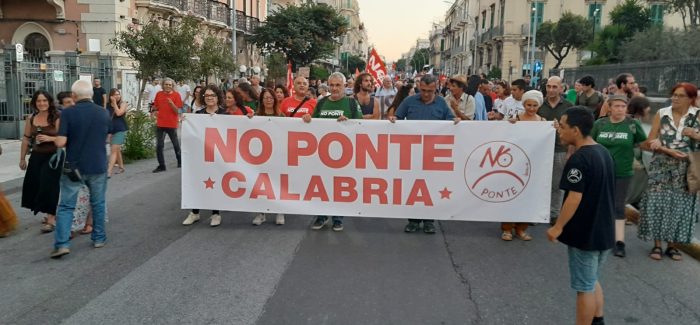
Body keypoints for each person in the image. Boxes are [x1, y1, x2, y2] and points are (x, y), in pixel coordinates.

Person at [546, 106, 615, 325]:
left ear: (575, 130)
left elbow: (574, 198)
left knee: (583, 287)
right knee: (592, 278)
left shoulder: (579, 159)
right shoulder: (602, 152)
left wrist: (558, 227)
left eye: (563, 127)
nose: (560, 131)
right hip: (604, 231)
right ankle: (598, 319)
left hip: (586, 235)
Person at [389, 74, 460, 234]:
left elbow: (451, 121)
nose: (426, 94)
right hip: (412, 154)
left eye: (430, 91)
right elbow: (397, 117)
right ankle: (413, 221)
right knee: (413, 188)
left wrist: (455, 121)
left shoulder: (441, 103)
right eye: (423, 90)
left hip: (434, 155)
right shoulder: (409, 101)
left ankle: (429, 221)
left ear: (436, 88)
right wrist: (394, 120)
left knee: (431, 188)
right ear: (418, 88)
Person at [639, 83, 699, 261]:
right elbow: (649, 141)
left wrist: (696, 135)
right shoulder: (662, 113)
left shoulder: (698, 115)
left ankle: (672, 245)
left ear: (690, 98)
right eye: (673, 95)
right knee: (658, 203)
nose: (675, 98)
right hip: (661, 165)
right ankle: (657, 245)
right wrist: (662, 147)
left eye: (680, 96)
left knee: (679, 206)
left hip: (687, 169)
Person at [51, 80, 111, 258]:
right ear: (92, 95)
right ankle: (99, 238)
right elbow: (108, 135)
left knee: (66, 206)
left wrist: (54, 139)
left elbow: (61, 142)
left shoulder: (68, 113)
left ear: (74, 96)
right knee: (98, 203)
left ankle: (62, 244)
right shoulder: (103, 113)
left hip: (74, 167)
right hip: (98, 164)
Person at [303, 72, 364, 231]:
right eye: (332, 85)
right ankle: (321, 216)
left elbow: (361, 125)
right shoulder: (321, 102)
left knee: (339, 187)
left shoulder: (351, 103)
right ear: (328, 85)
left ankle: (338, 218)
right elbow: (312, 123)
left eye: (338, 85)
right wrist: (308, 119)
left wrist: (349, 122)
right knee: (323, 186)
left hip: (344, 155)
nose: (335, 88)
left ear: (345, 86)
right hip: (322, 154)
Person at [591, 95, 647, 258]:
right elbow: (590, 143)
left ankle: (619, 242)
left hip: (622, 172)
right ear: (609, 107)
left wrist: (657, 144)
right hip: (601, 171)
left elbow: (643, 143)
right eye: (616, 106)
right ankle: (599, 235)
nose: (620, 109)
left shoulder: (632, 125)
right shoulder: (600, 124)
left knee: (618, 206)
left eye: (623, 106)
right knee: (600, 203)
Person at [501, 90, 546, 241]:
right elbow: (505, 135)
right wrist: (510, 124)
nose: (531, 108)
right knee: (512, 196)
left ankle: (521, 228)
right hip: (515, 164)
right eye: (528, 105)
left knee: (529, 197)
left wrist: (555, 127)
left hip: (534, 165)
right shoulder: (516, 119)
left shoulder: (543, 122)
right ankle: (507, 228)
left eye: (535, 105)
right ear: (524, 104)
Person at [182, 85, 228, 227]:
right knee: (197, 182)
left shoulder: (225, 115)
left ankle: (216, 213)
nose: (209, 98)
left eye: (212, 95)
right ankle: (194, 212)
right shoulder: (198, 115)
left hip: (218, 157)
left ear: (218, 97)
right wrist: (185, 121)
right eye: (206, 95)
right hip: (201, 157)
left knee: (215, 183)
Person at [20, 90, 62, 233]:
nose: (42, 103)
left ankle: (51, 219)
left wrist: (50, 138)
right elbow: (26, 138)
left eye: (44, 100)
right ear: (34, 103)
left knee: (49, 185)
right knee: (35, 185)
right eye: (39, 101)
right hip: (37, 155)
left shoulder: (56, 117)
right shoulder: (31, 118)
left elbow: (65, 139)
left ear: (49, 102)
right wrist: (22, 158)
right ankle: (49, 211)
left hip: (53, 157)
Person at [538, 76, 573, 224]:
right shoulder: (539, 104)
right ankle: (537, 212)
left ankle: (554, 214)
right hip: (539, 150)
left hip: (560, 149)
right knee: (539, 182)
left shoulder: (569, 106)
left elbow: (573, 130)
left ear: (561, 88)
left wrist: (570, 151)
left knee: (557, 184)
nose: (551, 90)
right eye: (548, 86)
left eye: (554, 87)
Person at [152, 78, 183, 173]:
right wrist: (154, 112)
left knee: (175, 144)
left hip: (171, 124)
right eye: (166, 84)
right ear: (163, 85)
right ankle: (162, 166)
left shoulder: (176, 95)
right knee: (159, 146)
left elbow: (178, 111)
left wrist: (172, 104)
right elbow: (155, 106)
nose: (168, 86)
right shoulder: (159, 94)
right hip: (160, 123)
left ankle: (180, 161)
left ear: (172, 86)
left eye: (170, 85)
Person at [107, 88, 128, 177]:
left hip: (120, 129)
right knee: (116, 149)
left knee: (113, 150)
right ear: (111, 96)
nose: (117, 96)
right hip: (111, 130)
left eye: (118, 94)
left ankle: (108, 171)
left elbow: (119, 113)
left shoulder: (123, 103)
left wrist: (115, 103)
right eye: (115, 94)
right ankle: (121, 167)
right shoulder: (107, 105)